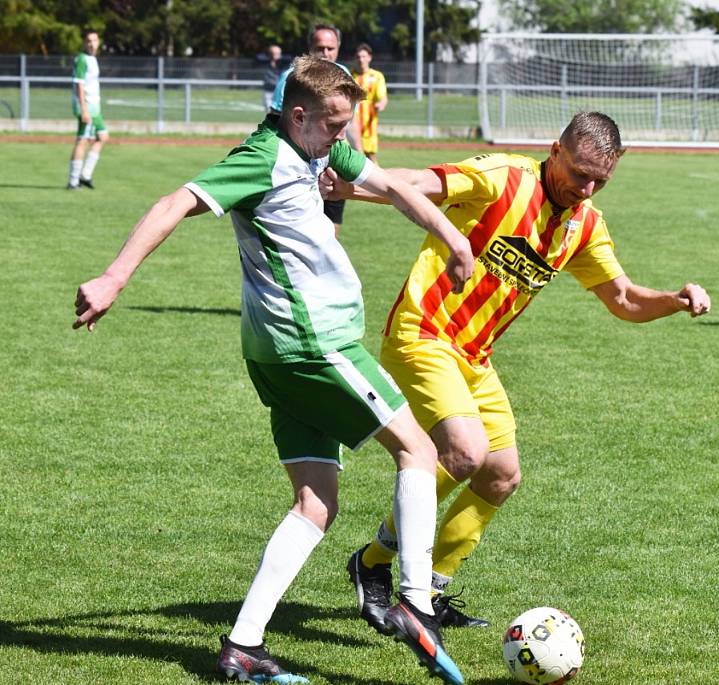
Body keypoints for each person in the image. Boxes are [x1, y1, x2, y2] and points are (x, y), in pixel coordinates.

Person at [72, 56, 473, 685]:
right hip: (314, 346)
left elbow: (393, 186)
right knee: (419, 452)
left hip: (273, 355)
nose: (344, 135)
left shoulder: (320, 149)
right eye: (335, 123)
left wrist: (453, 238)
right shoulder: (262, 158)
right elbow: (175, 201)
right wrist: (114, 276)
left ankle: (243, 645)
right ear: (298, 115)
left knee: (315, 504)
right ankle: (416, 599)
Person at [323, 111, 712, 634]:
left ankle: (424, 585)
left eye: (600, 180)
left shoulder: (584, 224)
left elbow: (622, 299)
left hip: (475, 357)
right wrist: (348, 185)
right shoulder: (503, 176)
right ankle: (378, 565)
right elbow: (422, 184)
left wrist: (674, 300)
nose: (587, 188)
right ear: (554, 149)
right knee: (465, 452)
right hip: (424, 335)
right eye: (579, 173)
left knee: (501, 475)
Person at [270, 23, 362, 235]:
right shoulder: (292, 78)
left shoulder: (345, 75)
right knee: (301, 228)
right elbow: (275, 120)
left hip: (334, 162)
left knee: (332, 227)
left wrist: (360, 155)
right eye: (320, 48)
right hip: (301, 165)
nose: (325, 53)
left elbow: (351, 123)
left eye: (331, 48)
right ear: (310, 48)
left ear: (338, 47)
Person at [66, 28, 109, 190]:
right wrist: (84, 110)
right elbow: (79, 84)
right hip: (87, 107)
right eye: (89, 41)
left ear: (98, 42)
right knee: (82, 141)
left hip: (94, 108)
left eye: (95, 40)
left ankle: (85, 175)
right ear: (85, 43)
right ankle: (73, 181)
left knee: (103, 137)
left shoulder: (92, 59)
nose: (92, 44)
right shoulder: (82, 59)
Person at [352, 43, 388, 163]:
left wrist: (381, 104)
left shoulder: (377, 76)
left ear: (369, 57)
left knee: (370, 157)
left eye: (364, 56)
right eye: (358, 57)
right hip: (352, 123)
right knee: (353, 157)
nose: (361, 59)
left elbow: (382, 97)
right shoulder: (350, 76)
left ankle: (380, 181)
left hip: (369, 124)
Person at [261, 44, 285, 112]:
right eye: (274, 53)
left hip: (279, 92)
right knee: (270, 112)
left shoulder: (283, 63)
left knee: (279, 113)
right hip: (268, 91)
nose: (276, 55)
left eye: (278, 53)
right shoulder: (265, 62)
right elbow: (257, 57)